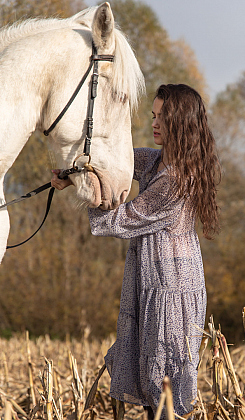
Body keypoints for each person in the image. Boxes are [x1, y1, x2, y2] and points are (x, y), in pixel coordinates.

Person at [51, 84, 221, 418]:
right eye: (154, 115)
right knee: (148, 384)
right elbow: (119, 163)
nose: (155, 123)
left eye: (163, 118)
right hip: (148, 284)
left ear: (182, 122)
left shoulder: (176, 180)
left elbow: (118, 221)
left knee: (164, 388)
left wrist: (87, 192)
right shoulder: (155, 161)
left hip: (172, 289)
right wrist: (72, 176)